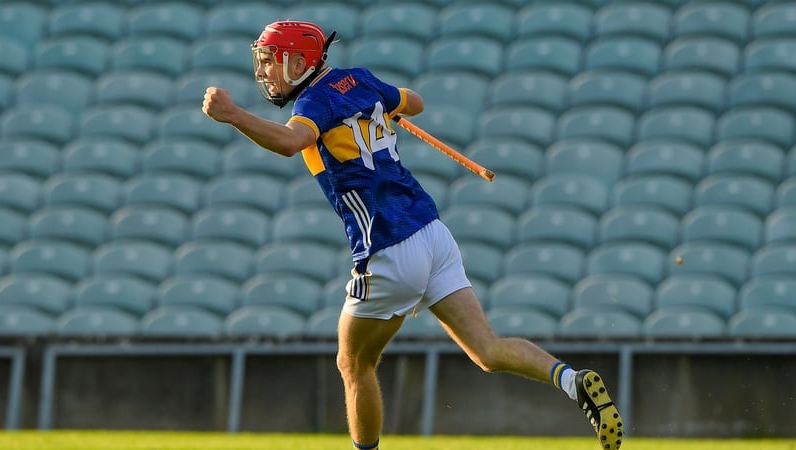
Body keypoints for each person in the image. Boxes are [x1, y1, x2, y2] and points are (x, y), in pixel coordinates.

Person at [203, 20, 623, 450]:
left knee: (353, 365)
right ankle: (572, 380)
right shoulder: (360, 79)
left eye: (272, 62)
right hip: (432, 233)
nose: (266, 73)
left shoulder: (312, 103)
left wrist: (233, 115)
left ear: (298, 61)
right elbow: (415, 102)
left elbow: (292, 143)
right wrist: (385, 109)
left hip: (387, 247)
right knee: (487, 350)